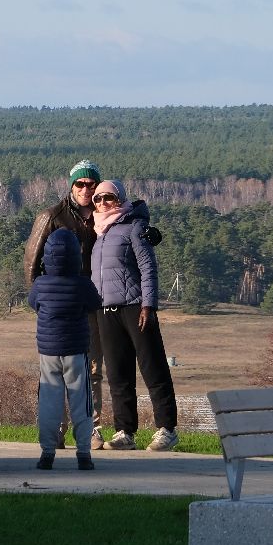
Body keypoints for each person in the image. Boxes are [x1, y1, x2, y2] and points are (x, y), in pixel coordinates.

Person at [88, 179, 178, 451]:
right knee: (117, 374)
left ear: (120, 199)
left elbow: (148, 267)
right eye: (98, 199)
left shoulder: (134, 228)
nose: (103, 203)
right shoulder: (97, 232)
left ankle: (167, 429)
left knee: (153, 367)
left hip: (135, 307)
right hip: (106, 310)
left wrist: (148, 306)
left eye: (109, 198)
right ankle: (124, 432)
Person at [24, 159, 107, 450]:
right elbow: (31, 260)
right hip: (58, 309)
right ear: (71, 185)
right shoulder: (52, 216)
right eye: (80, 184)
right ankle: (55, 429)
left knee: (92, 368)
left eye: (91, 184)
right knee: (54, 372)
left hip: (91, 304)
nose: (86, 189)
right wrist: (43, 299)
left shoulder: (104, 215)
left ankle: (92, 430)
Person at [26, 227, 101, 470]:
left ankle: (47, 452)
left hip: (48, 351)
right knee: (81, 401)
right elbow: (95, 304)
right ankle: (84, 454)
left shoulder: (40, 284)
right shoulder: (82, 284)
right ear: (76, 257)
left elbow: (33, 303)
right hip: (77, 351)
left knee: (49, 402)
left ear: (47, 256)